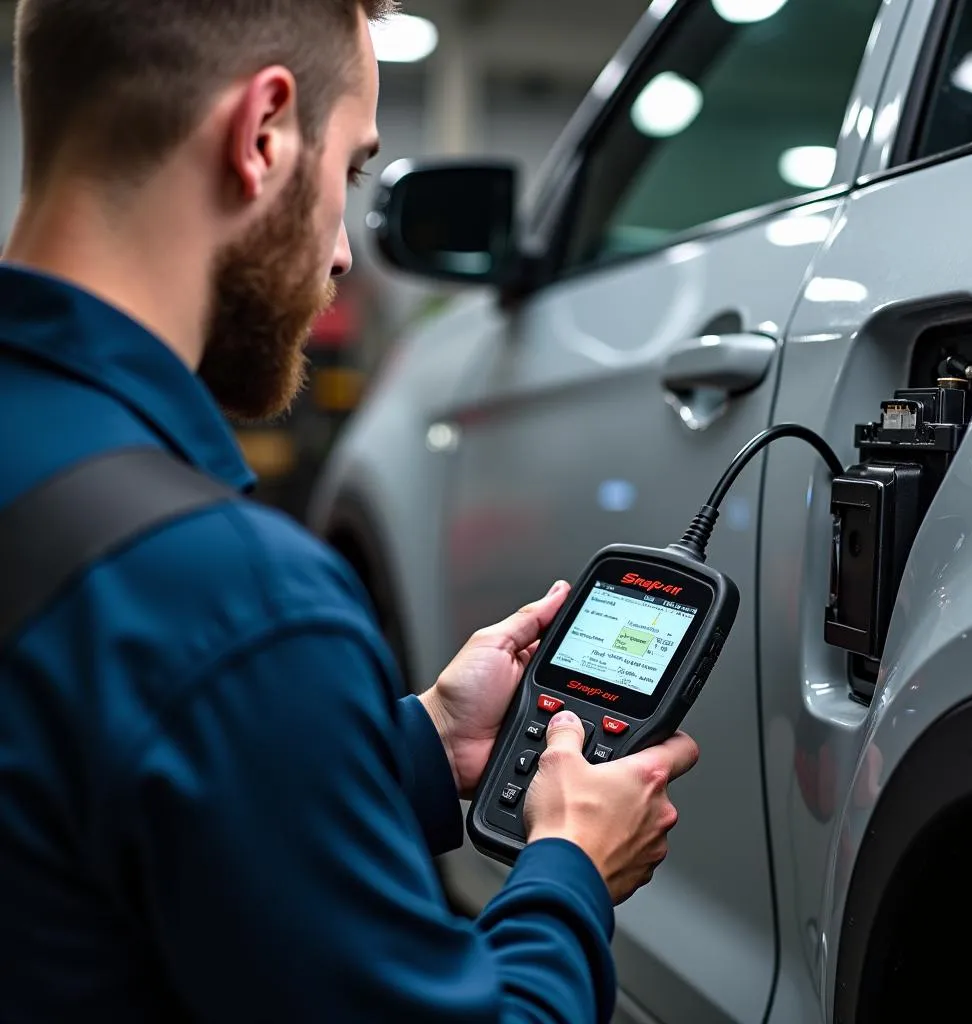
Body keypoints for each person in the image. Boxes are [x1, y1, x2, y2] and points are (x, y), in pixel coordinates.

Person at [0, 1, 700, 1021]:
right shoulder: (232, 603)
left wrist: (416, 746)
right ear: (264, 135)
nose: (341, 253)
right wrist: (568, 872)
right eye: (353, 171)